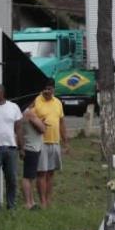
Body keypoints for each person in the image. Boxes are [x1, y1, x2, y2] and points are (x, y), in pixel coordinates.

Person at [33, 79, 67, 209]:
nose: (47, 91)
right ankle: (42, 201)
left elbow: (62, 122)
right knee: (41, 172)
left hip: (55, 142)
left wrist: (65, 141)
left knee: (51, 173)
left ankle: (48, 200)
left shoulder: (58, 102)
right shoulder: (36, 101)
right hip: (40, 142)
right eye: (45, 89)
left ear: (53, 89)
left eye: (50, 89)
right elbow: (28, 118)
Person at [20, 103, 45, 210]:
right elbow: (42, 129)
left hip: (31, 146)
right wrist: (41, 122)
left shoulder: (23, 113)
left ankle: (31, 201)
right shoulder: (29, 113)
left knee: (31, 177)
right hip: (32, 147)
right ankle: (28, 203)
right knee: (27, 176)